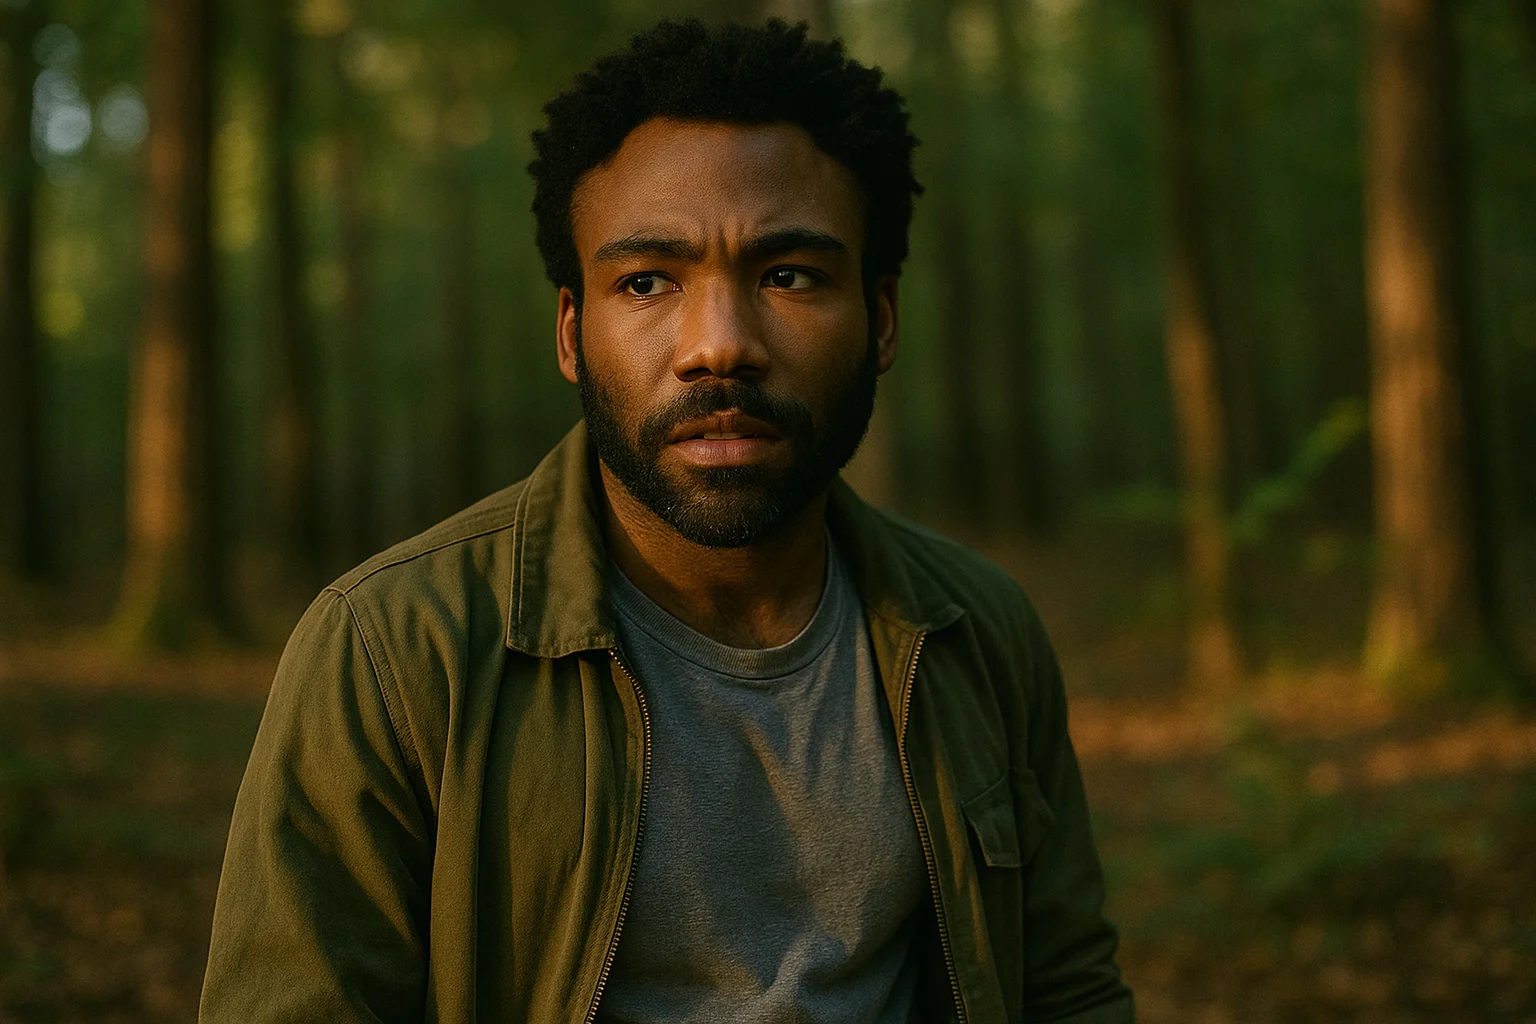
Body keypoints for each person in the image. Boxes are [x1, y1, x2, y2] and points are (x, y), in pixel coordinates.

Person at [200, 18, 1133, 1024]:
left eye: (789, 275)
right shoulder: (391, 651)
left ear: (884, 318)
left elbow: (1066, 990)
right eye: (647, 282)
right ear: (572, 332)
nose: (718, 346)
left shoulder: (978, 633)